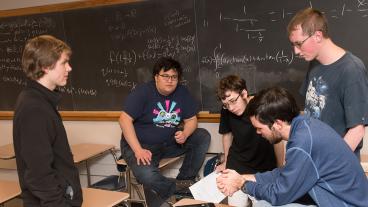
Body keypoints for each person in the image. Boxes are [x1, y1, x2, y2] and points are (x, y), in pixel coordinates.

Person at [216, 87, 368, 207]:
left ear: (278, 124)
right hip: (339, 199)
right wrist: (246, 177)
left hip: (344, 204)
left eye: (260, 128)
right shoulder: (304, 126)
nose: (257, 132)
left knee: (265, 204)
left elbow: (280, 194)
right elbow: (288, 173)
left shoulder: (302, 143)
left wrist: (243, 185)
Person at [119, 57, 211, 201]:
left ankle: (185, 180)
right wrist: (137, 150)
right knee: (147, 176)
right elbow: (124, 120)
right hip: (141, 146)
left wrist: (185, 133)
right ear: (156, 77)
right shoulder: (143, 92)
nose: (170, 80)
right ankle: (182, 190)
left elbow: (192, 120)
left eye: (174, 77)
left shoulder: (182, 92)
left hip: (168, 143)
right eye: (165, 76)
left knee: (202, 136)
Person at [287, 8, 368, 158]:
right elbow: (310, 111)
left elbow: (357, 130)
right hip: (314, 158)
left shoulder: (352, 69)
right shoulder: (314, 63)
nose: (296, 51)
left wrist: (330, 163)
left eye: (299, 44)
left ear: (318, 35)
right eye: (293, 45)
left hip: (336, 169)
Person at [13, 35, 83, 206]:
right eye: (64, 63)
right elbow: (39, 174)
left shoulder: (41, 100)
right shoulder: (34, 108)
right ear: (45, 66)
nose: (70, 68)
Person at [215, 75, 284, 206]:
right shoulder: (226, 111)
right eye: (226, 105)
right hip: (237, 165)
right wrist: (226, 161)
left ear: (244, 93)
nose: (231, 108)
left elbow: (278, 140)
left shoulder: (262, 106)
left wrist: (280, 168)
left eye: (233, 101)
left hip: (263, 168)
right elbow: (227, 135)